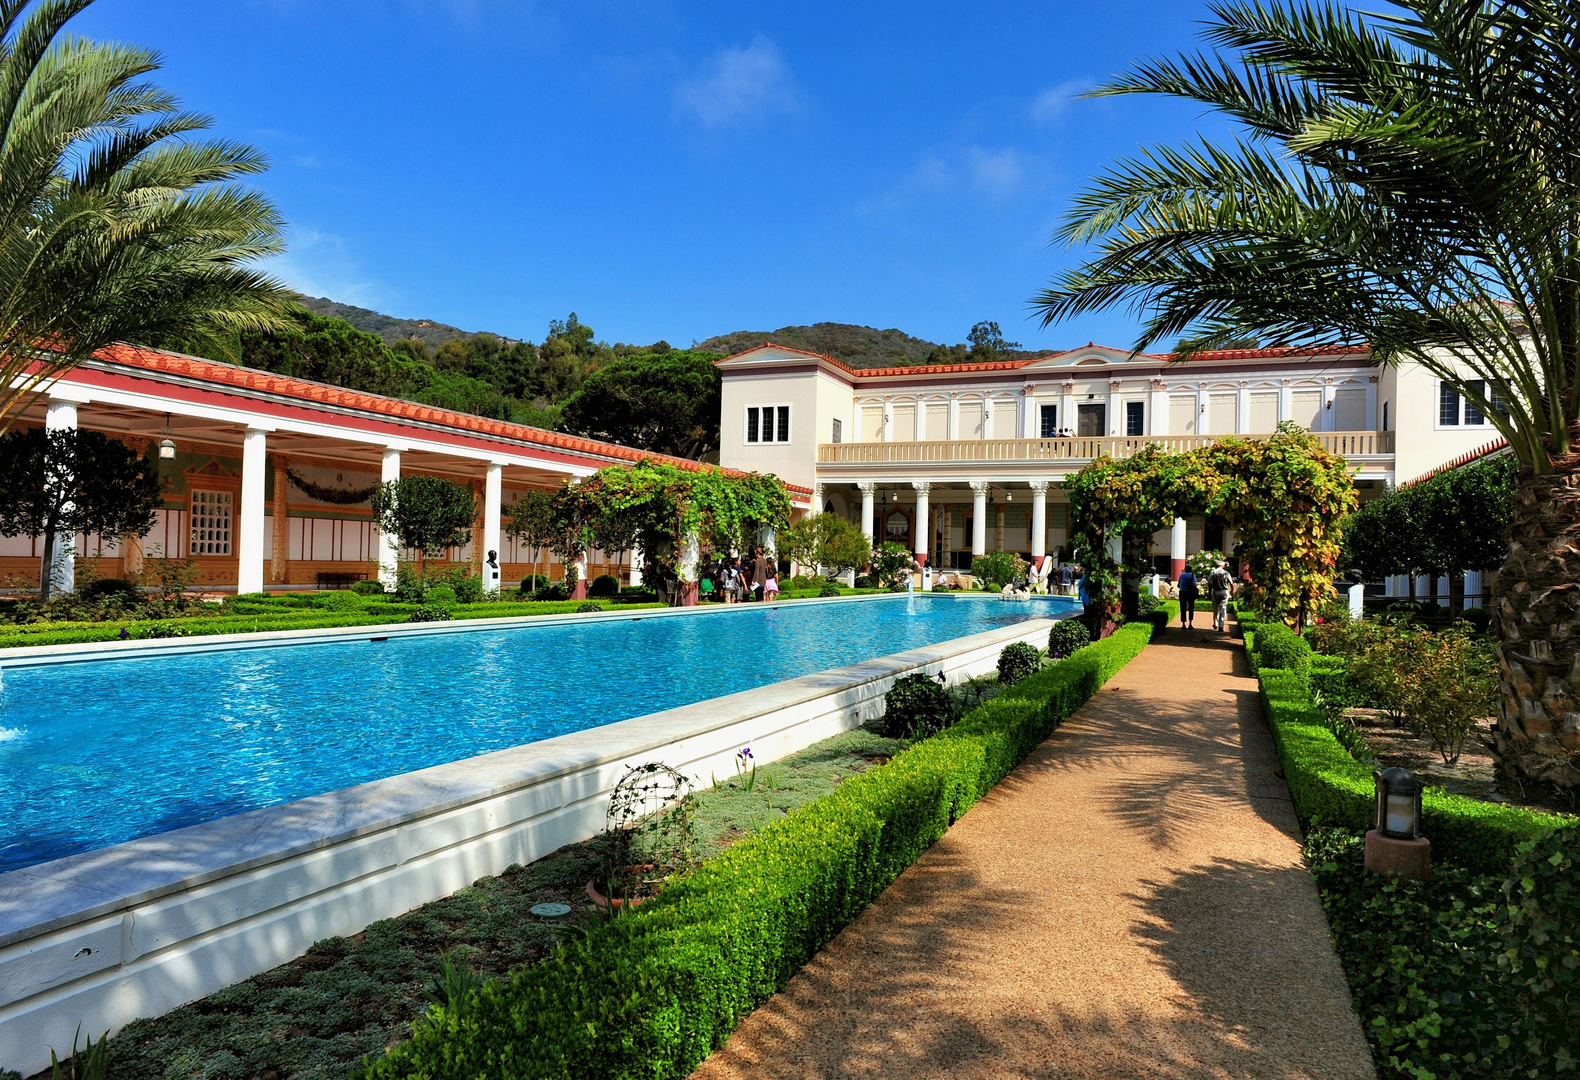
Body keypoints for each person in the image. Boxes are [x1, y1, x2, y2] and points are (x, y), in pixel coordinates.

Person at [1208, 560, 1235, 632]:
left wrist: (1209, 593)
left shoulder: (1213, 572)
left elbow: (1210, 583)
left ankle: (1215, 623)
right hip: (1224, 591)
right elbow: (1231, 583)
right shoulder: (1226, 573)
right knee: (1223, 609)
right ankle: (1221, 625)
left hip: (1215, 591)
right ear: (1222, 566)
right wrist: (1231, 591)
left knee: (1215, 608)